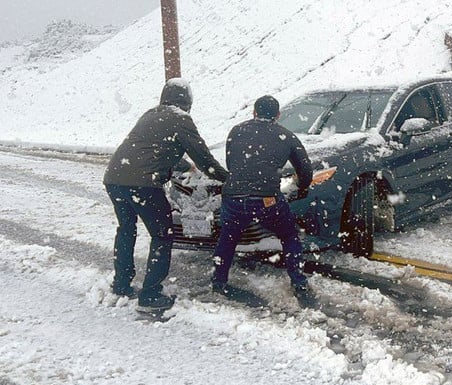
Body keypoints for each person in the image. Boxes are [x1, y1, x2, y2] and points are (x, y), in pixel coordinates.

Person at [103, 78, 228, 312]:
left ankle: (121, 284)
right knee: (162, 234)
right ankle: (150, 294)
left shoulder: (151, 114)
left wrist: (186, 167)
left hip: (115, 178)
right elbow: (204, 159)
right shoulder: (181, 119)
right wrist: (229, 179)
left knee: (126, 229)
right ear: (187, 101)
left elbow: (155, 149)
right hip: (144, 184)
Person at [211, 95, 313, 297]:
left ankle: (218, 280)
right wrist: (302, 187)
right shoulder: (286, 136)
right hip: (267, 198)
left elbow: (232, 164)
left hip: (233, 196)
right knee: (288, 235)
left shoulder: (237, 130)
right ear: (278, 115)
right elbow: (305, 169)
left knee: (228, 238)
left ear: (254, 112)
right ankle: (298, 280)